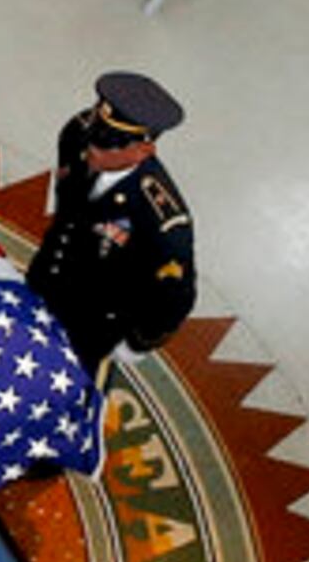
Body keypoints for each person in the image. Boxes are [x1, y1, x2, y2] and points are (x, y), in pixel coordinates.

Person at [24, 72, 197, 381]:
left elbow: (175, 298)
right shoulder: (76, 135)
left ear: (143, 150)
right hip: (47, 277)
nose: (92, 150)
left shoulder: (162, 222)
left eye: (107, 145)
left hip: (93, 321)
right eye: (94, 135)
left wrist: (136, 344)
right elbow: (69, 207)